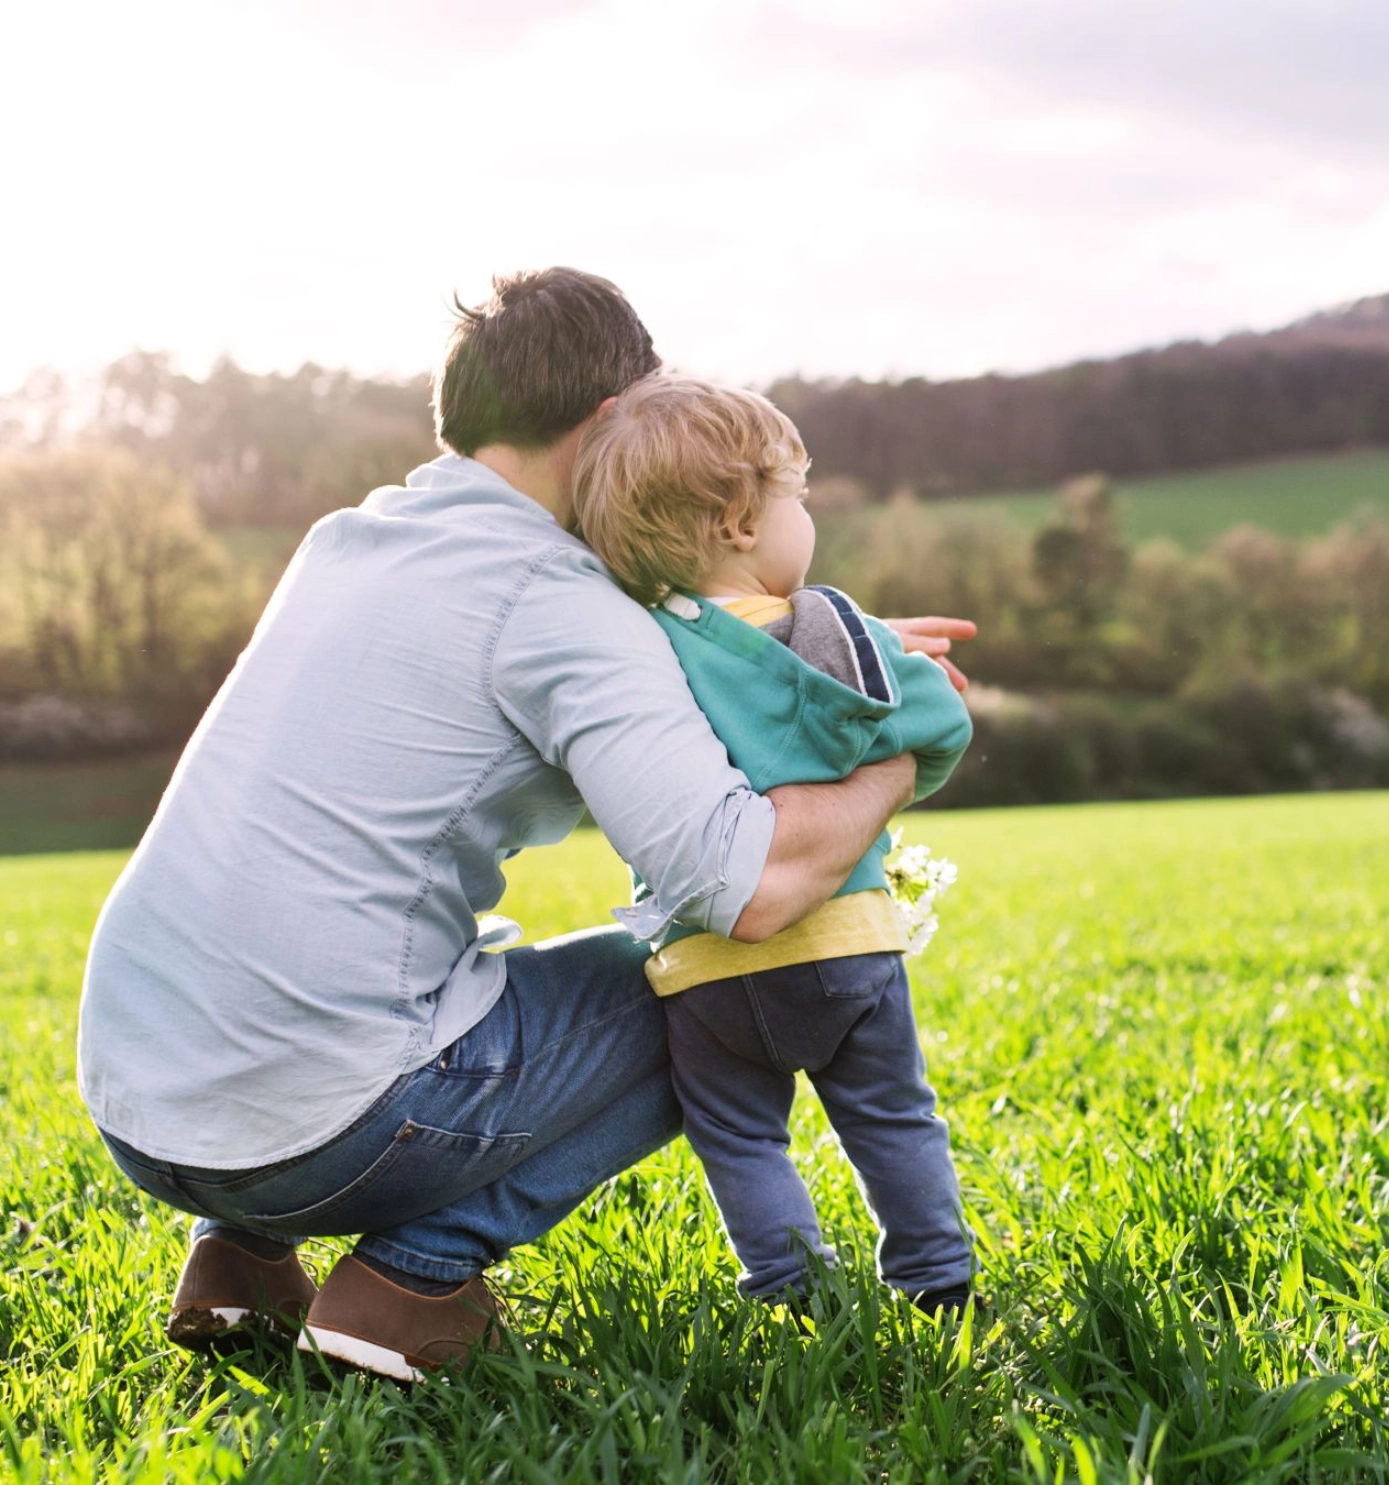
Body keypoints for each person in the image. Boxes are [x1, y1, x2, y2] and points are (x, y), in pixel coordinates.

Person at [74, 268, 975, 1383]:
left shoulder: (351, 541)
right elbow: (750, 891)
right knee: (710, 989)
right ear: (610, 422)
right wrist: (900, 748)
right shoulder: (559, 602)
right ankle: (411, 1281)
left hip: (138, 1101)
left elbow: (656, 666)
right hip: (310, 1130)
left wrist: (790, 636)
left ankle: (240, 1266)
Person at [569, 372, 975, 1311]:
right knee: (892, 1117)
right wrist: (898, 774)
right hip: (845, 940)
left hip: (703, 964)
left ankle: (792, 1287)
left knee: (742, 1139)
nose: (809, 518)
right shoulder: (836, 631)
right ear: (742, 520)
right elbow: (937, 728)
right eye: (799, 497)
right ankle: (937, 1280)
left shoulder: (635, 654)